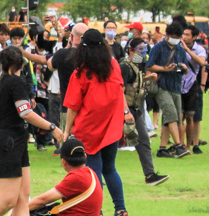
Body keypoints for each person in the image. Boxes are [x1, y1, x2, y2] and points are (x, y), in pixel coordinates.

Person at [0, 46, 63, 216]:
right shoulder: (17, 83)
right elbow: (25, 113)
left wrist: (4, 109)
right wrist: (51, 127)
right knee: (7, 200)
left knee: (23, 197)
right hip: (9, 143)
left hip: (13, 142)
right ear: (21, 64)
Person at [63, 29, 129, 216]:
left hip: (89, 128)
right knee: (110, 169)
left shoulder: (80, 72)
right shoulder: (114, 65)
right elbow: (119, 90)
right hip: (112, 126)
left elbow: (73, 106)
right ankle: (120, 208)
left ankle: (97, 211)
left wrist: (67, 131)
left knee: (93, 172)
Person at [119, 37, 168, 186]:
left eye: (145, 48)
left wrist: (147, 79)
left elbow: (134, 84)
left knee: (143, 141)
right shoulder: (125, 67)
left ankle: (150, 175)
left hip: (135, 109)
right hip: (123, 110)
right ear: (131, 50)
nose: (144, 52)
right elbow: (119, 90)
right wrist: (125, 112)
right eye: (140, 49)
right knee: (109, 143)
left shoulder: (138, 66)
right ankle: (94, 174)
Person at [147, 22, 193, 158]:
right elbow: (150, 66)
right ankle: (178, 145)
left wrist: (184, 68)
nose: (176, 39)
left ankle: (162, 148)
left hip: (176, 86)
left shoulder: (180, 49)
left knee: (173, 117)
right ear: (167, 35)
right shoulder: (158, 47)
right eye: (174, 36)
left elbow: (186, 69)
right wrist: (164, 69)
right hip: (161, 85)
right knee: (171, 114)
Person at [27, 139, 103, 215]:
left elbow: (42, 200)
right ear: (85, 156)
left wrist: (17, 211)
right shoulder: (91, 173)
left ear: (63, 162)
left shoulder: (76, 177)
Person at [50, 23, 87, 132]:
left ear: (71, 37)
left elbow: (50, 66)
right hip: (88, 108)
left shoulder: (62, 54)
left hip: (67, 105)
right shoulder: (95, 57)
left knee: (67, 142)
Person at [180, 24, 208, 154]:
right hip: (179, 84)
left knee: (191, 116)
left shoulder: (200, 49)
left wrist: (187, 50)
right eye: (183, 34)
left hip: (192, 84)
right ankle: (180, 144)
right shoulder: (177, 47)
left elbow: (202, 63)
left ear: (194, 37)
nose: (184, 37)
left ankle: (190, 145)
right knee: (179, 116)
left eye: (187, 34)